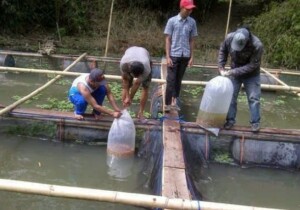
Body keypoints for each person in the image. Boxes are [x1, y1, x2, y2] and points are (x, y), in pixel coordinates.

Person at [218, 27, 264, 132]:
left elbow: (253, 65)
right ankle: (230, 120)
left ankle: (255, 123)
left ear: (247, 41)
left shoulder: (257, 45)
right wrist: (221, 66)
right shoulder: (229, 38)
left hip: (252, 74)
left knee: (254, 98)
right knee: (230, 96)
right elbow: (223, 51)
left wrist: (232, 72)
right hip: (234, 71)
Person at [164, 0, 198, 112]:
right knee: (171, 80)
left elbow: (192, 40)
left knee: (178, 80)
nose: (189, 11)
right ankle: (167, 104)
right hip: (174, 54)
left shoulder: (192, 22)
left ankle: (174, 101)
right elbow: (168, 39)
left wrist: (192, 57)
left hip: (185, 55)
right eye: (187, 9)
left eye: (191, 9)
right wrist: (168, 57)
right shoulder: (172, 21)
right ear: (182, 8)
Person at [120, 46, 152, 120]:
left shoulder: (146, 69)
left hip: (144, 53)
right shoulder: (124, 64)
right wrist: (127, 97)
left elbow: (137, 83)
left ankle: (141, 113)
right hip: (130, 52)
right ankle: (123, 110)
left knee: (145, 87)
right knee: (126, 86)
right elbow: (125, 82)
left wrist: (130, 98)